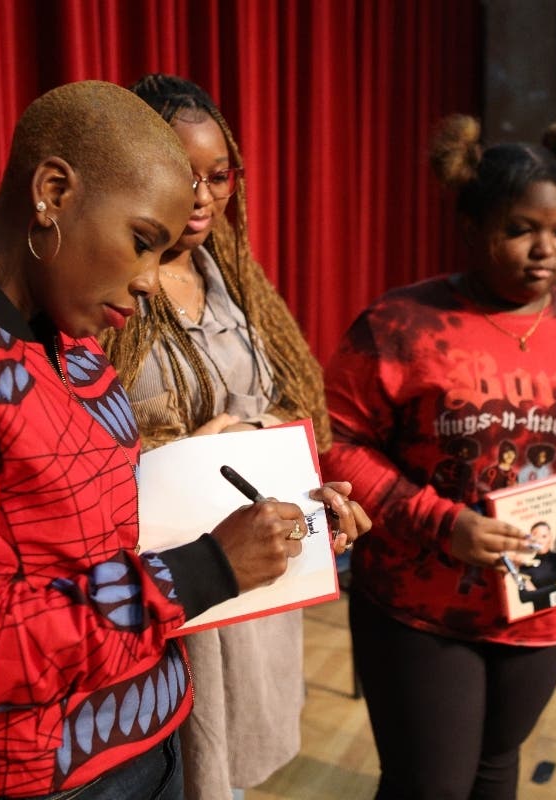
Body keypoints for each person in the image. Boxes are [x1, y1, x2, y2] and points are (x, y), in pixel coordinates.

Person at [0, 80, 366, 800]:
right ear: (52, 192)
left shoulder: (73, 348)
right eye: (141, 242)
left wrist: (289, 515)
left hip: (154, 744)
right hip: (36, 779)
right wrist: (200, 571)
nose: (146, 282)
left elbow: (117, 531)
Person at [321, 113, 556, 798]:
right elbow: (332, 443)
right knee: (430, 785)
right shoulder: (399, 323)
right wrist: (440, 522)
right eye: (519, 230)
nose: (545, 250)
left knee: (494, 766)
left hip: (544, 602)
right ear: (472, 227)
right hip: (420, 606)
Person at [99, 74, 347, 800]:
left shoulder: (231, 273)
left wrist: (269, 444)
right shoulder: (108, 283)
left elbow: (300, 400)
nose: (203, 196)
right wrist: (183, 453)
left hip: (252, 565)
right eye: (184, 175)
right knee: (185, 761)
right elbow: (78, 441)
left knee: (235, 767)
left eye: (219, 175)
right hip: (168, 570)